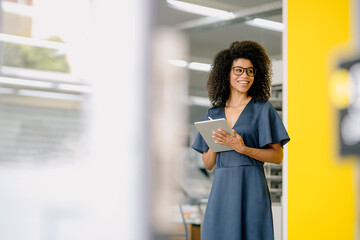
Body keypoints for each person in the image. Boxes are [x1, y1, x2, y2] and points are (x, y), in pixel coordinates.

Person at [192, 40, 290, 240]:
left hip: (251, 186)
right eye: (238, 70)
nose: (244, 76)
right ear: (226, 73)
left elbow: (277, 156)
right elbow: (209, 164)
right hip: (222, 188)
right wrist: (216, 143)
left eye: (250, 71)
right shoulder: (213, 114)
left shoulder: (263, 110)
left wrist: (243, 148)